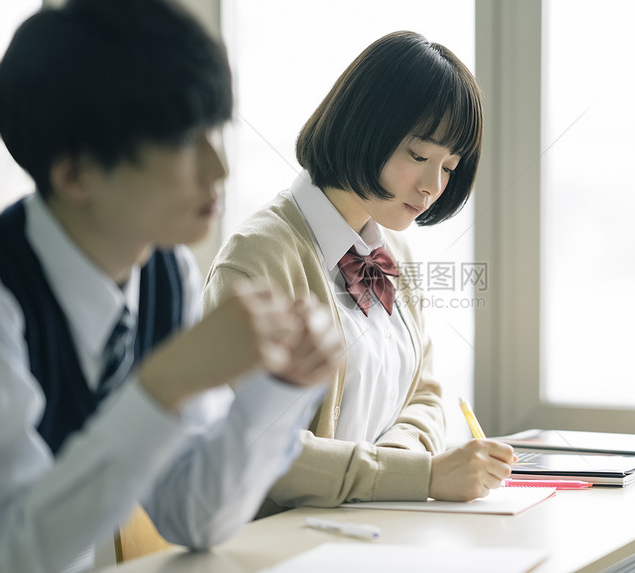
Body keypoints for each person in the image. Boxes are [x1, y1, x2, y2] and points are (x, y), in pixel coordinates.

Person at [0, 1, 343, 571]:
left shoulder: (164, 277)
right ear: (75, 173)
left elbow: (194, 517)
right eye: (181, 142)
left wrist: (281, 386)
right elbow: (6, 554)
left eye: (214, 131)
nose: (218, 169)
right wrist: (165, 383)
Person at [203, 30, 514, 517]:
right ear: (365, 126)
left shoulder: (394, 252)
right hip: (285, 546)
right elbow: (262, 447)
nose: (433, 185)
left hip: (377, 529)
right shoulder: (261, 256)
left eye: (449, 167)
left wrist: (397, 469)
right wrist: (422, 477)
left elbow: (425, 392)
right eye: (419, 156)